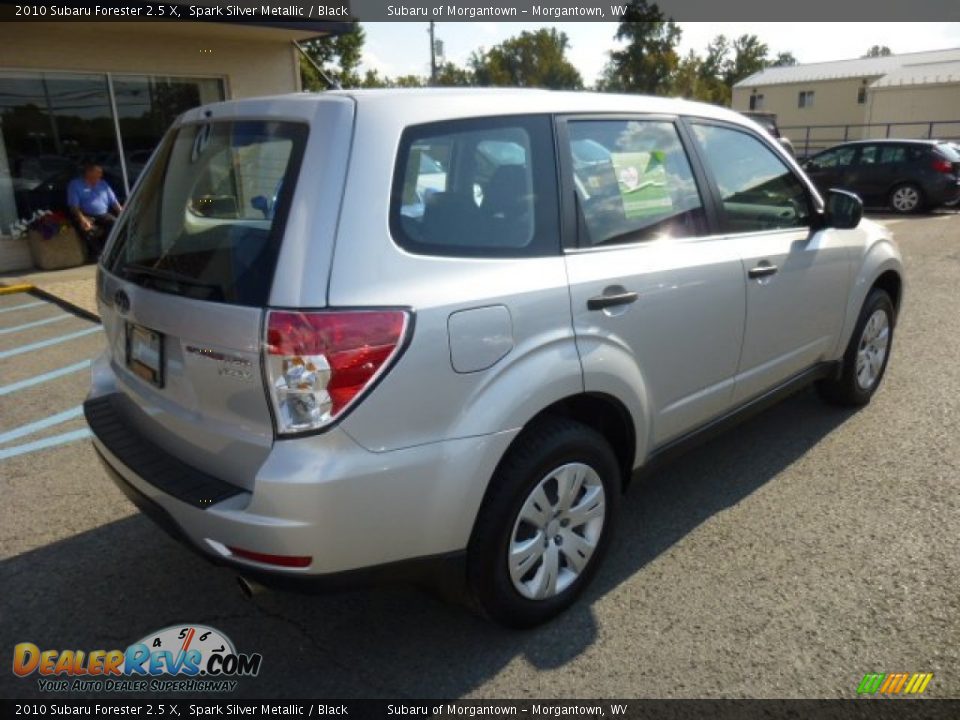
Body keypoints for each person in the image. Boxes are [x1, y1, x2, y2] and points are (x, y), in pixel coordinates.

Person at [67, 163, 123, 259]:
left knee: (115, 224)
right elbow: (73, 206)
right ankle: (97, 254)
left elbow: (114, 201)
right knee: (88, 229)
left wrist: (122, 213)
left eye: (100, 173)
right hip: (85, 214)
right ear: (88, 173)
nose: (100, 175)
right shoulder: (75, 185)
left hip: (103, 214)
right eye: (98, 172)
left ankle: (109, 251)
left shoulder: (103, 184)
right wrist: (82, 219)